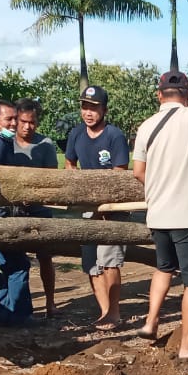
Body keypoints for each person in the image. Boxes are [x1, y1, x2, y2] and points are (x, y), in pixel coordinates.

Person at [133, 71, 188, 359]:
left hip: (158, 213)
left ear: (159, 95)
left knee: (164, 267)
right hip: (187, 214)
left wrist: (160, 189)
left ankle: (150, 321)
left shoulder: (146, 126)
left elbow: (138, 171)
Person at [65, 85, 131, 332]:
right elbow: (70, 163)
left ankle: (114, 312)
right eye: (85, 107)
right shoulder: (76, 135)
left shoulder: (114, 136)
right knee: (91, 262)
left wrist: (103, 205)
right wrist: (79, 186)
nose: (88, 113)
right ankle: (104, 311)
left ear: (104, 109)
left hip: (112, 208)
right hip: (87, 207)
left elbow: (120, 174)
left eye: (93, 108)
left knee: (110, 261)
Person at [0, 99, 32, 327]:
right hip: (1, 215)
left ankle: (1, 314)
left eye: (14, 118)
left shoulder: (0, 142)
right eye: (8, 119)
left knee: (7, 265)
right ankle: (20, 316)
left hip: (0, 213)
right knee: (19, 264)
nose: (14, 124)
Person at [13, 98, 60, 318]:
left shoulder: (45, 145)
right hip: (12, 210)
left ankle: (50, 302)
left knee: (45, 257)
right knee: (15, 260)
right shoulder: (6, 144)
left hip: (39, 208)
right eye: (23, 121)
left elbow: (51, 179)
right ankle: (19, 306)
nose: (27, 126)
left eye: (31, 122)